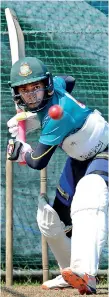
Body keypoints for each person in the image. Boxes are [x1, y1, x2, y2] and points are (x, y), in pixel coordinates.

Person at [7, 57, 108, 294]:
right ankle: (70, 273)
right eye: (25, 90)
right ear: (17, 93)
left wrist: (23, 151)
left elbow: (37, 162)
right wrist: (34, 117)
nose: (32, 95)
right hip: (79, 158)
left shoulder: (57, 116)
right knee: (52, 219)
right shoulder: (57, 88)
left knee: (89, 196)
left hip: (104, 150)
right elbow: (68, 80)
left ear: (47, 85)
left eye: (36, 88)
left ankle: (87, 274)